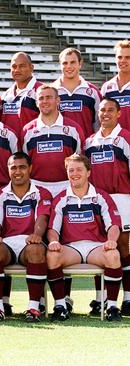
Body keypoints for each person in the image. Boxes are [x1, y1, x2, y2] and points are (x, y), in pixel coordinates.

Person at [46, 154, 123, 321]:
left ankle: (111, 307)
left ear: (88, 172)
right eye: (71, 170)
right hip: (71, 247)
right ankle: (60, 306)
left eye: (79, 169)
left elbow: (113, 225)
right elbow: (53, 228)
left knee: (114, 254)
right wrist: (53, 241)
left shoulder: (101, 197)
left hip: (96, 247)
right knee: (52, 256)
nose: (75, 173)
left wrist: (111, 241)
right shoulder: (61, 199)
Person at [0, 152, 52, 322]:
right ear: (8, 170)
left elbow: (42, 218)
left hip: (29, 242)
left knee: (36, 249)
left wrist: (37, 235)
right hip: (7, 243)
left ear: (30, 168)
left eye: (22, 167)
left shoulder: (41, 193)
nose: (18, 171)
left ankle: (33, 308)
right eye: (13, 167)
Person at [84, 97, 130, 315]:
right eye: (102, 110)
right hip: (98, 200)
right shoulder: (89, 141)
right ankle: (100, 299)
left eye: (110, 110)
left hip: (122, 197)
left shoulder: (125, 138)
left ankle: (128, 298)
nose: (105, 114)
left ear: (119, 113)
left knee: (123, 248)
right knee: (100, 246)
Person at [21, 85, 85, 197]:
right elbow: (24, 162)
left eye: (49, 97)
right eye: (41, 98)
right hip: (36, 186)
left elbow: (81, 160)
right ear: (36, 102)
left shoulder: (73, 129)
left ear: (58, 100)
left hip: (67, 185)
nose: (45, 101)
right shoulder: (27, 130)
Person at [52, 48, 102, 137]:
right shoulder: (51, 91)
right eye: (65, 63)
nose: (69, 66)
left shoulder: (93, 92)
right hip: (61, 147)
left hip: (85, 147)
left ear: (80, 63)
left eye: (72, 62)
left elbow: (99, 124)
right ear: (60, 65)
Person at [0, 52, 43, 138]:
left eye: (22, 66)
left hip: (33, 146)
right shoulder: (6, 95)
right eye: (14, 66)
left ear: (31, 68)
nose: (17, 70)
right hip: (11, 147)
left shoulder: (42, 92)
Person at [101, 40, 130, 130]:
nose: (123, 60)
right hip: (113, 142)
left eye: (127, 57)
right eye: (119, 57)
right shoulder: (107, 87)